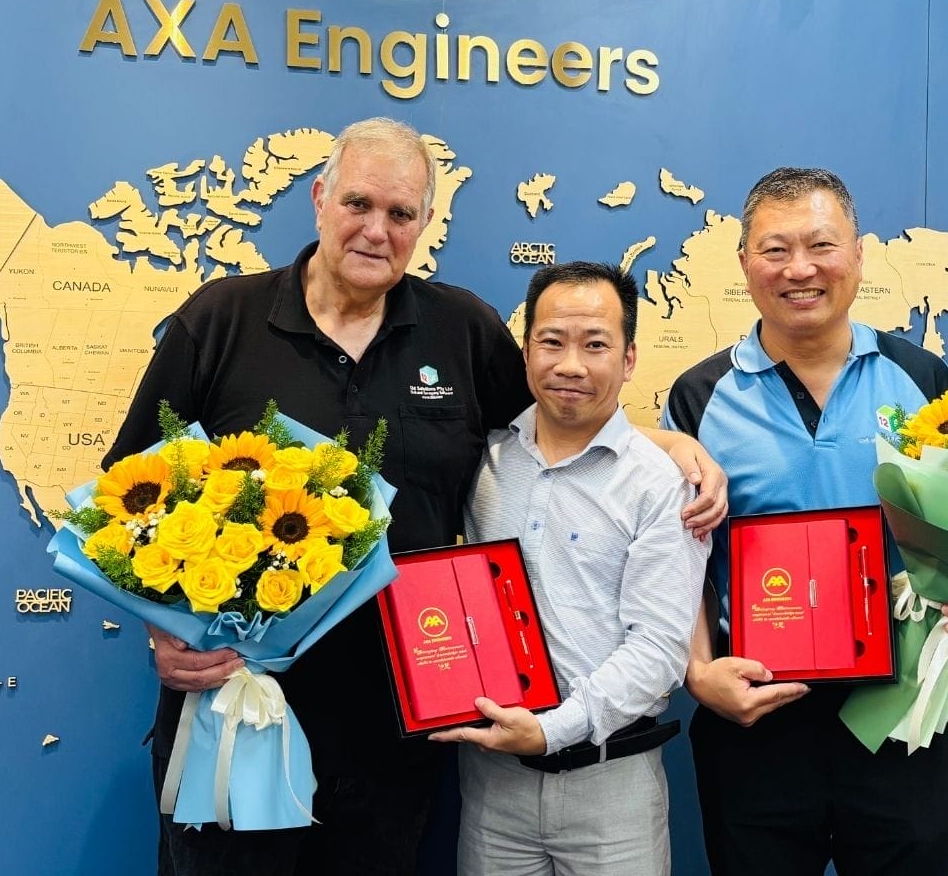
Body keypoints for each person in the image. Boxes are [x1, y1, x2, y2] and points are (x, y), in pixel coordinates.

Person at [103, 118, 728, 875]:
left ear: (425, 224)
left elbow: (558, 418)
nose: (376, 230)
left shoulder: (460, 330)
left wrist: (666, 445)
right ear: (319, 197)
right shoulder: (222, 320)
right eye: (358, 204)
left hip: (400, 730)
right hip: (240, 715)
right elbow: (125, 500)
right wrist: (161, 631)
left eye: (401, 214)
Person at [663, 167, 948, 876]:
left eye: (821, 245)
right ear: (742, 264)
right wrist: (699, 674)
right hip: (756, 719)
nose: (800, 269)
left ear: (858, 255)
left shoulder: (922, 377)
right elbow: (674, 559)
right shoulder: (699, 395)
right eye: (775, 249)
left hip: (901, 718)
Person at [433, 262, 710, 876]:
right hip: (491, 785)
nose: (571, 366)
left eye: (596, 345)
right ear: (527, 347)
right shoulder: (485, 458)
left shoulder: (661, 484)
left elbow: (660, 649)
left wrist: (553, 729)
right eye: (552, 341)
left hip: (613, 792)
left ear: (630, 358)